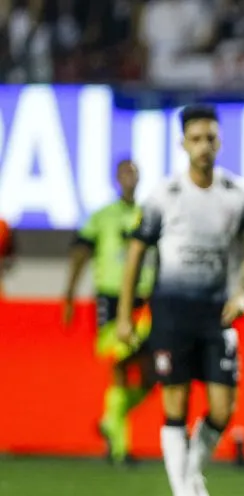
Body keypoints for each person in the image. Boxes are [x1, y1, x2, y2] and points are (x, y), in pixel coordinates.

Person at [117, 104, 244, 496]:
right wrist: (127, 314)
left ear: (219, 142)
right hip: (171, 312)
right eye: (196, 138)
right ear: (183, 144)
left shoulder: (235, 195)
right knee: (175, 404)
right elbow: (134, 257)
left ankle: (192, 471)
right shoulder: (164, 197)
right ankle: (182, 494)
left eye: (210, 138)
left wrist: (243, 292)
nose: (204, 146)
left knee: (222, 408)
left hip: (216, 313)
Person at [64, 160, 157, 464]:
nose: (130, 177)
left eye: (134, 172)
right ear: (117, 178)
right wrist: (69, 294)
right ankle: (120, 447)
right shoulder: (102, 217)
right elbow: (80, 252)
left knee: (150, 376)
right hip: (112, 300)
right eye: (125, 173)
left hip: (143, 302)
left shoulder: (147, 214)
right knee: (119, 367)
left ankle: (109, 420)